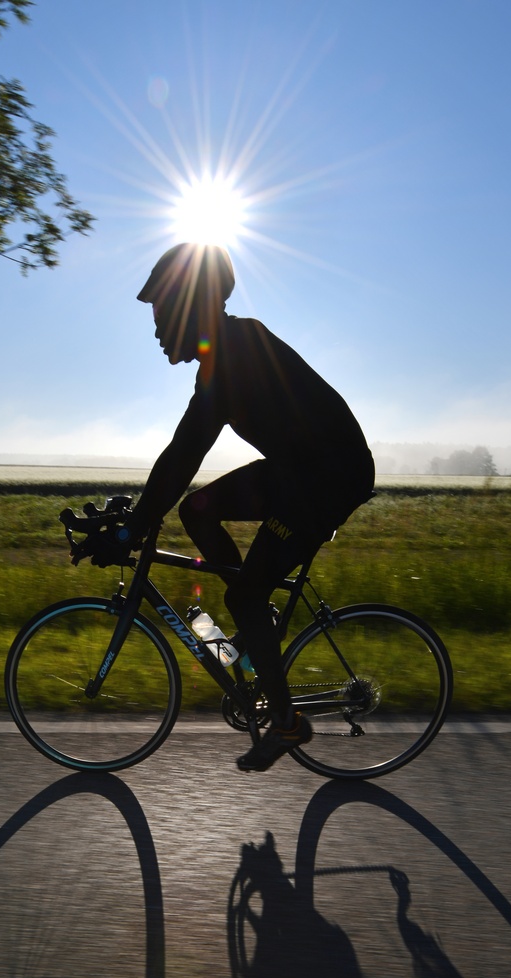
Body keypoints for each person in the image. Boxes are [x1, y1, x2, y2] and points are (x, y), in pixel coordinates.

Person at [126, 242, 374, 772]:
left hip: (328, 478)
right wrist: (136, 519)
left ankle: (286, 723)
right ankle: (253, 620)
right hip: (300, 470)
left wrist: (132, 529)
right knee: (197, 512)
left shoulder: (236, 354)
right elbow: (181, 461)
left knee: (243, 594)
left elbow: (183, 454)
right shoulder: (224, 354)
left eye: (159, 312)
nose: (154, 328)